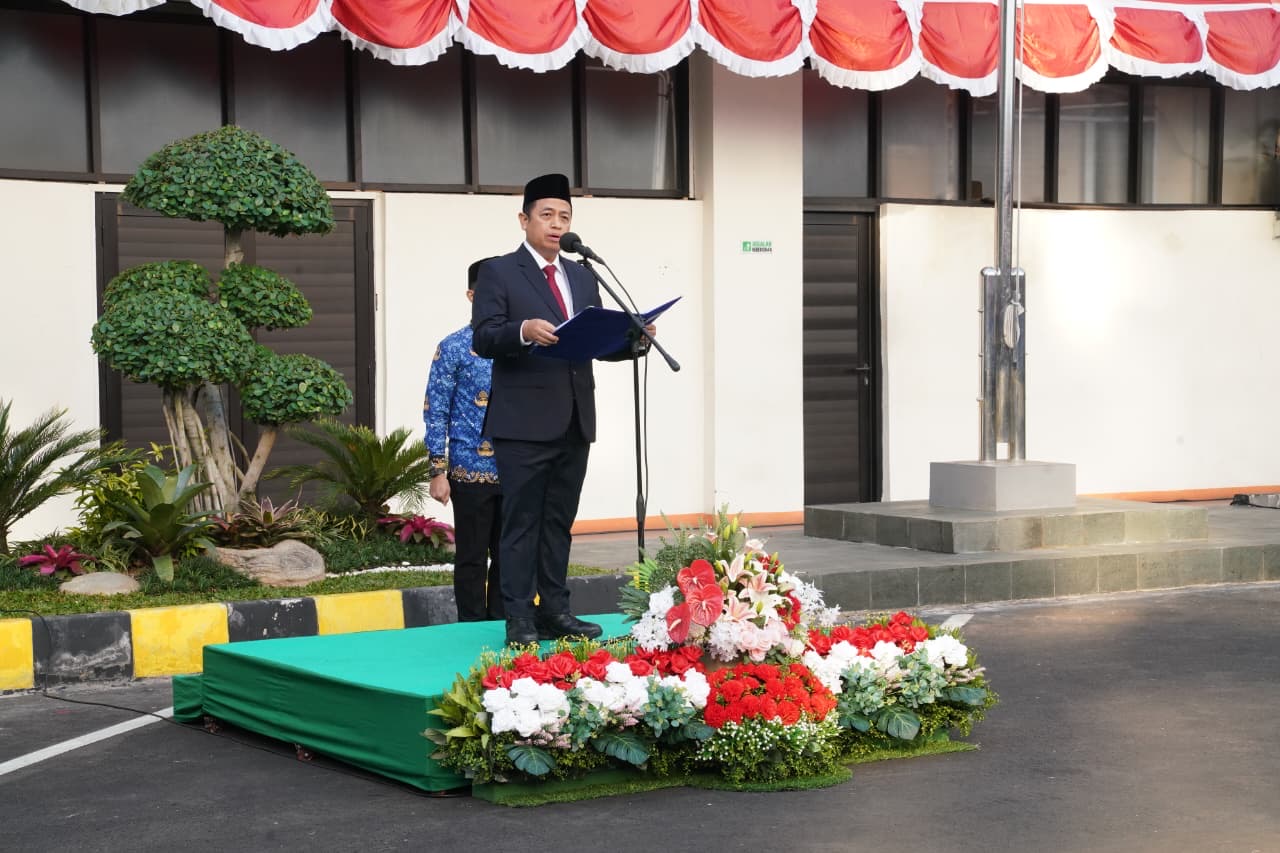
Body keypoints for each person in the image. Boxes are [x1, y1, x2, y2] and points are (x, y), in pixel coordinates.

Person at [471, 173, 653, 645]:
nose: (556, 225)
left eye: (564, 217)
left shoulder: (581, 273)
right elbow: (485, 337)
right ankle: (519, 619)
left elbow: (591, 343)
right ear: (524, 220)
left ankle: (556, 611)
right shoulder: (499, 272)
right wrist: (522, 330)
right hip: (522, 423)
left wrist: (635, 339)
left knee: (558, 523)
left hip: (573, 419)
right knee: (521, 524)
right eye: (547, 215)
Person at [424, 257, 504, 622]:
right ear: (471, 295)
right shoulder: (453, 347)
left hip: (516, 468)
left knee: (510, 555)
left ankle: (506, 624)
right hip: (469, 469)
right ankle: (470, 626)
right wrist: (437, 470)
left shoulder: (516, 343)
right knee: (472, 556)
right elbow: (435, 409)